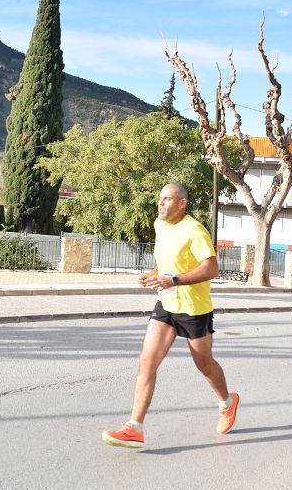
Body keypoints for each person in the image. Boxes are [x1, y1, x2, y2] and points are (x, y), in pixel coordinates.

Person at [102, 183, 239, 448]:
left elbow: (211, 269)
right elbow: (165, 259)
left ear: (182, 203)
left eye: (167, 199)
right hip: (166, 304)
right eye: (160, 199)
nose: (161, 203)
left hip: (193, 308)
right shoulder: (159, 224)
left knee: (204, 363)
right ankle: (134, 427)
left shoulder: (194, 230)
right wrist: (156, 274)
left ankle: (227, 402)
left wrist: (173, 280)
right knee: (147, 362)